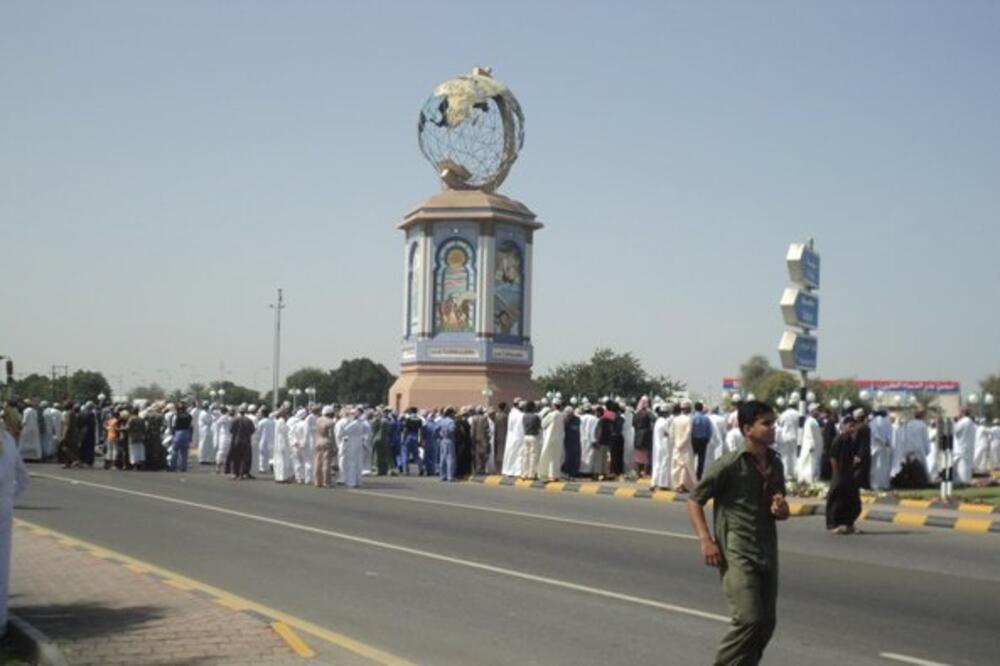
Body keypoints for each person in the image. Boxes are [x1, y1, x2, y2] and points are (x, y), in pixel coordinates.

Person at [687, 400, 788, 666]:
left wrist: (781, 508)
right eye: (765, 423)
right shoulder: (730, 464)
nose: (772, 428)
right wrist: (705, 540)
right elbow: (694, 499)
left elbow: (781, 508)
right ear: (747, 429)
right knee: (748, 619)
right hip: (738, 551)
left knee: (766, 624)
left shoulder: (775, 463)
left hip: (767, 550)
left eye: (773, 423)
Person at [0, 411, 30, 633]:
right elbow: (23, 476)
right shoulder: (8, 440)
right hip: (4, 510)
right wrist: (10, 497)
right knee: (2, 565)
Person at [826, 417, 862, 534]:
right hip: (839, 474)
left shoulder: (850, 440)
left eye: (854, 426)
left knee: (852, 500)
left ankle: (848, 523)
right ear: (844, 426)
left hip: (848, 474)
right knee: (836, 499)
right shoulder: (838, 439)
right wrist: (836, 473)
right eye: (850, 426)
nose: (852, 428)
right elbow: (832, 457)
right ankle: (833, 525)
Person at [670, 400, 696, 492]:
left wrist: (676, 444)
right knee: (685, 465)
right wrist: (681, 444)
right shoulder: (688, 419)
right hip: (685, 446)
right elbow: (688, 434)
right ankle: (681, 485)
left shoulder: (675, 419)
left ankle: (680, 484)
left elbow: (671, 434)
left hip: (677, 446)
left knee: (678, 466)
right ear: (688, 409)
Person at [795, 404, 824, 485]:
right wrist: (811, 445)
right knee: (809, 464)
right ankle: (808, 481)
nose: (818, 411)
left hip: (816, 448)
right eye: (816, 410)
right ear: (812, 411)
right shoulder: (810, 421)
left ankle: (813, 480)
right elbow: (809, 434)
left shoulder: (813, 420)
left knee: (814, 464)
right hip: (812, 447)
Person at [537, 401, 565, 482]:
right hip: (558, 439)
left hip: (550, 438)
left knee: (547, 456)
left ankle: (546, 474)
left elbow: (543, 424)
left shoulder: (552, 414)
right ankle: (555, 475)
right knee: (556, 457)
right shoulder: (562, 415)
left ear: (554, 406)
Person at [228, 405, 256, 480]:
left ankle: (235, 473)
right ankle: (243, 473)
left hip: (236, 441)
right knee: (245, 458)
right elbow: (253, 430)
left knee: (236, 457)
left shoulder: (235, 420)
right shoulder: (249, 420)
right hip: (246, 441)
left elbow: (231, 431)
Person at [775, 403, 800, 484]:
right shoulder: (798, 413)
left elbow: (780, 423)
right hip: (795, 436)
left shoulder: (784, 414)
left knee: (785, 456)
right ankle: (794, 473)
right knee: (794, 456)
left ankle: (785, 474)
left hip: (785, 436)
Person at [650, 402, 672, 490]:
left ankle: (654, 483)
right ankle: (663, 484)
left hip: (657, 446)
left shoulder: (658, 421)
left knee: (656, 465)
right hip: (663, 446)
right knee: (664, 464)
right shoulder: (664, 422)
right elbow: (669, 434)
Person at [869, 410, 894, 490]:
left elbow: (875, 434)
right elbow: (890, 435)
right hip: (886, 447)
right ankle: (884, 484)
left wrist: (882, 442)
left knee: (875, 467)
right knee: (885, 467)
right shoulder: (887, 422)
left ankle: (875, 484)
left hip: (876, 447)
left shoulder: (873, 422)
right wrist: (886, 442)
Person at [501, 399, 525, 478]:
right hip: (518, 437)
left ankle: (508, 470)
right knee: (517, 455)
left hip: (512, 437)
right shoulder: (520, 415)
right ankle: (516, 472)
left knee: (511, 454)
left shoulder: (511, 413)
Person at [314, 406, 337, 487]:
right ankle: (326, 481)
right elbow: (331, 435)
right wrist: (334, 446)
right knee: (326, 462)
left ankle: (317, 481)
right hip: (326, 441)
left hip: (318, 441)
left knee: (317, 461)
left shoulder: (318, 420)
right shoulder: (330, 422)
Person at [952, 408, 976, 484]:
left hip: (962, 449)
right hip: (964, 448)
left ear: (962, 413)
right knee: (962, 469)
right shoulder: (969, 421)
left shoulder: (964, 421)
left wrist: (953, 421)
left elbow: (954, 430)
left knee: (962, 471)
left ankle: (963, 484)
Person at [632, 397, 654, 477]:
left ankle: (638, 473)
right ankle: (645, 472)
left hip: (637, 434)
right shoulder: (648, 413)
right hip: (646, 435)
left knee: (638, 455)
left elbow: (633, 423)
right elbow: (654, 419)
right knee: (646, 455)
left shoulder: (637, 413)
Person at [690, 401, 712, 480]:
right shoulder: (706, 419)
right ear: (702, 408)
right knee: (701, 459)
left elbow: (690, 430)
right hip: (703, 440)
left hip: (694, 440)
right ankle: (698, 476)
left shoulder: (692, 418)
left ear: (695, 408)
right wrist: (707, 440)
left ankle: (691, 475)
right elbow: (709, 431)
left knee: (691, 458)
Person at [519, 401, 542, 480]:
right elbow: (539, 427)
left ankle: (524, 473)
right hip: (533, 436)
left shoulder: (524, 416)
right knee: (533, 456)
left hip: (526, 436)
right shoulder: (535, 417)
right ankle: (531, 474)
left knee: (525, 455)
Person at [170, 403, 194, 472]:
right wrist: (190, 436)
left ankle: (173, 466)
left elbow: (173, 426)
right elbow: (191, 427)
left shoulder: (176, 416)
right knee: (184, 452)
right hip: (186, 433)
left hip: (178, 433)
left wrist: (173, 435)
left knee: (175, 451)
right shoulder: (189, 416)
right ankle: (183, 467)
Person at [57, 402, 80, 468]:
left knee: (64, 447)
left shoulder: (68, 413)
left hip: (69, 434)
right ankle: (68, 463)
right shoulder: (73, 413)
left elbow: (67, 425)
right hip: (73, 433)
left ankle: (74, 460)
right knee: (71, 448)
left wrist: (64, 435)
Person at [437, 407, 457, 481]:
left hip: (442, 440)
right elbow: (452, 430)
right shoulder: (451, 422)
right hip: (449, 440)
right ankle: (450, 476)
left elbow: (436, 429)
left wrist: (440, 435)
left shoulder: (441, 421)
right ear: (451, 414)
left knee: (442, 458)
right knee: (450, 458)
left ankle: (442, 475)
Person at [399, 407, 421, 475]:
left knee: (406, 454)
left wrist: (403, 438)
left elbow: (405, 429)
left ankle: (406, 470)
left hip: (408, 436)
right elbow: (420, 430)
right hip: (415, 436)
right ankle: (421, 468)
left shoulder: (408, 419)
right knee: (416, 455)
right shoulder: (419, 419)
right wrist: (419, 439)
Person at [562, 406, 581, 479]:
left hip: (575, 441)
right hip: (567, 441)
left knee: (574, 458)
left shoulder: (577, 419)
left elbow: (575, 427)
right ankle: (566, 472)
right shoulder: (565, 419)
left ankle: (572, 473)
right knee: (567, 457)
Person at [470, 406, 490, 475]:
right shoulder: (485, 418)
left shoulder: (474, 418)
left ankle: (477, 469)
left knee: (477, 455)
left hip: (476, 438)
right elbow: (487, 429)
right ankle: (482, 469)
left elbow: (472, 430)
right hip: (483, 438)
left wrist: (472, 438)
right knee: (483, 454)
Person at [213, 407, 232, 475]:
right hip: (230, 436)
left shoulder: (223, 417)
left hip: (223, 437)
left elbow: (216, 425)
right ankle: (225, 468)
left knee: (221, 452)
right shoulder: (230, 418)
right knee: (227, 453)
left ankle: (218, 468)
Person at [256, 407, 274, 474]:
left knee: (262, 455)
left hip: (263, 440)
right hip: (271, 440)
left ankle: (262, 468)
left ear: (263, 414)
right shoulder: (272, 422)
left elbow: (258, 432)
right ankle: (272, 465)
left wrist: (258, 439)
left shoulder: (261, 422)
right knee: (271, 455)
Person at [492, 402, 509, 473]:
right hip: (503, 435)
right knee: (502, 453)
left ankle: (497, 469)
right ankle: (501, 469)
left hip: (496, 435)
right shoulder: (505, 416)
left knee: (496, 453)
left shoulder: (496, 415)